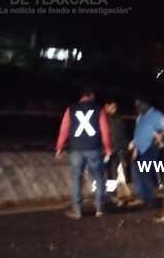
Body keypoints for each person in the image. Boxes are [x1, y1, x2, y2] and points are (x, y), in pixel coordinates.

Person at [56, 88, 112, 219]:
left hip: (76, 149)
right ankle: (99, 209)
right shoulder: (99, 109)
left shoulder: (71, 109)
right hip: (94, 148)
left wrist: (59, 147)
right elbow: (105, 131)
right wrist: (108, 149)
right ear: (91, 95)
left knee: (76, 178)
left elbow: (64, 129)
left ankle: (77, 210)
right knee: (99, 178)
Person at [130, 98, 164, 206]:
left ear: (146, 104)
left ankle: (150, 199)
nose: (137, 108)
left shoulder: (156, 115)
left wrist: (160, 137)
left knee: (146, 174)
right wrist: (135, 148)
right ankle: (142, 197)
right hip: (139, 149)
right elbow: (138, 134)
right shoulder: (141, 117)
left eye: (139, 105)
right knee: (137, 174)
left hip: (150, 148)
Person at [104, 101, 132, 206]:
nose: (114, 108)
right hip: (113, 151)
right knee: (113, 174)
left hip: (114, 151)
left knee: (112, 174)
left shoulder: (114, 119)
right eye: (111, 106)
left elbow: (120, 136)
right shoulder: (112, 119)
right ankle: (114, 196)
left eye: (114, 106)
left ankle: (114, 196)